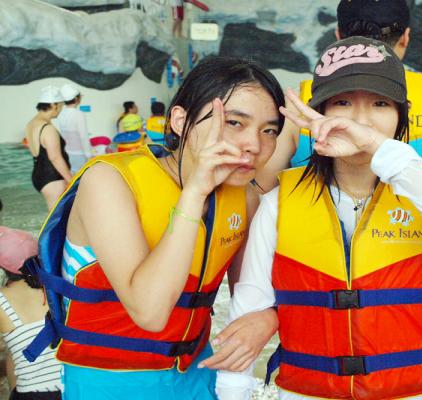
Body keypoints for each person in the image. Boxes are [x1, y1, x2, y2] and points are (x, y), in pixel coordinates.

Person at [215, 36, 422, 400]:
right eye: (342, 103)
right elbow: (246, 315)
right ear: (319, 113)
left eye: (380, 104)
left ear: (401, 116)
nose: (361, 119)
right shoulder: (279, 204)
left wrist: (378, 148)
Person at [22, 57, 283, 400]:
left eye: (269, 130)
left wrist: (269, 318)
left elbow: (252, 296)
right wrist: (194, 193)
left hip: (197, 373)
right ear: (180, 120)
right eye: (234, 122)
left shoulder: (244, 199)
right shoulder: (110, 182)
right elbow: (150, 312)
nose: (254, 144)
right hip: (108, 381)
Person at [256, 0, 422, 300]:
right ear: (406, 37)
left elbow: (260, 191)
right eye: (344, 103)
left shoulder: (303, 104)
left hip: (317, 276)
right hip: (412, 285)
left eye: (380, 104)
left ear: (338, 36)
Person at [0, 226, 62, 400]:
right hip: (73, 387)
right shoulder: (60, 286)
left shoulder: (2, 299)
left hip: (33, 394)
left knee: (13, 354)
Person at [25, 86, 72, 210]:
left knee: (56, 213)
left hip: (39, 174)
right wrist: (71, 180)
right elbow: (55, 157)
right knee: (58, 215)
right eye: (60, 106)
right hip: (52, 176)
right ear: (53, 105)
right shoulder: (48, 129)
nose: (60, 110)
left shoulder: (31, 124)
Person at [56, 84, 93, 173]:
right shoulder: (79, 114)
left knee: (72, 176)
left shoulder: (61, 113)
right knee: (82, 176)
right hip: (79, 154)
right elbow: (83, 137)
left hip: (66, 153)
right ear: (76, 99)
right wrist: (89, 156)